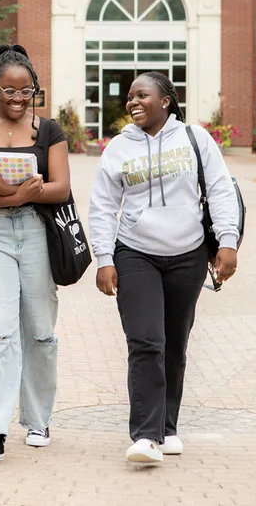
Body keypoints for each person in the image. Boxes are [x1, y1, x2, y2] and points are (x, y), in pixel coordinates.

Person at [89, 71, 239, 464]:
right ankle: (145, 436)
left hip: (188, 253)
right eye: (130, 97)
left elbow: (221, 188)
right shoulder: (118, 147)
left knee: (174, 344)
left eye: (143, 95)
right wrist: (104, 258)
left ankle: (167, 428)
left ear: (166, 100)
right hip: (135, 252)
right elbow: (102, 206)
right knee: (145, 341)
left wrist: (227, 241)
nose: (133, 102)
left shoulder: (195, 139)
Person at [0, 44, 71, 463]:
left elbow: (59, 187)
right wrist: (16, 195)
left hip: (38, 232)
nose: (19, 100)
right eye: (10, 91)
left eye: (28, 93)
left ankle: (38, 418)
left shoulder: (50, 131)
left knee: (40, 331)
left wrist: (3, 190)